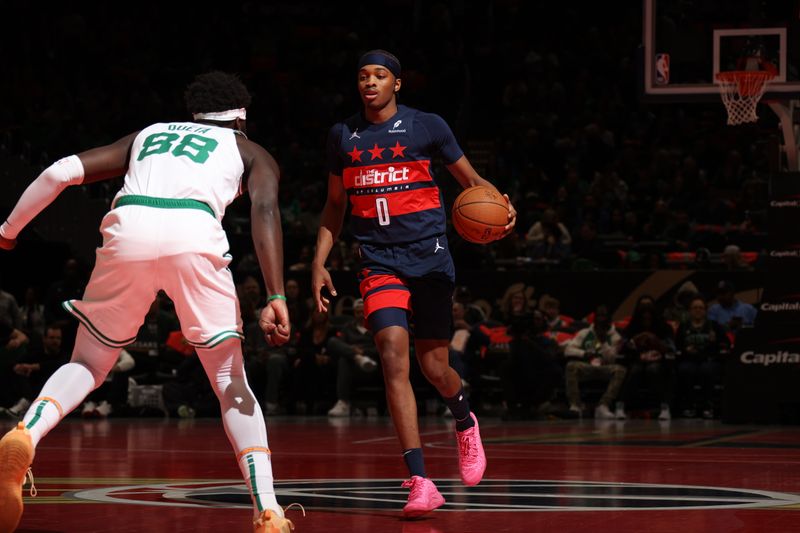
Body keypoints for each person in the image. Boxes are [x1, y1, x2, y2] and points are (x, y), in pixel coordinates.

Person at [0, 71, 298, 533]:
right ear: (241, 118)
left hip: (129, 224)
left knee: (90, 361)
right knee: (227, 378)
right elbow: (264, 211)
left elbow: (60, 172)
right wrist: (276, 292)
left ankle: (25, 433)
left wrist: (8, 232)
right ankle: (269, 510)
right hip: (194, 231)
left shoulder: (151, 134)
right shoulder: (249, 150)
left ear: (194, 114)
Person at [311, 49, 516, 517]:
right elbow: (334, 205)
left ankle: (464, 420)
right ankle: (420, 480)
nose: (369, 82)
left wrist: (501, 207)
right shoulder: (343, 135)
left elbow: (471, 181)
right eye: (362, 76)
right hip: (378, 261)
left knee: (435, 367)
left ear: (396, 84)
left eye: (379, 75)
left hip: (430, 257)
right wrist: (319, 262)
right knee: (390, 354)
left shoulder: (428, 126)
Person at [563, 305, 626, 420]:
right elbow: (568, 350)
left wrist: (603, 342)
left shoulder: (615, 336)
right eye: (599, 315)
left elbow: (611, 359)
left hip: (605, 368)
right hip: (587, 366)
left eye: (604, 315)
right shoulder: (584, 333)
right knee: (571, 365)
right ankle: (576, 406)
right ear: (595, 318)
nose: (601, 318)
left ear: (609, 318)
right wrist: (584, 354)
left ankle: (603, 405)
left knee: (620, 370)